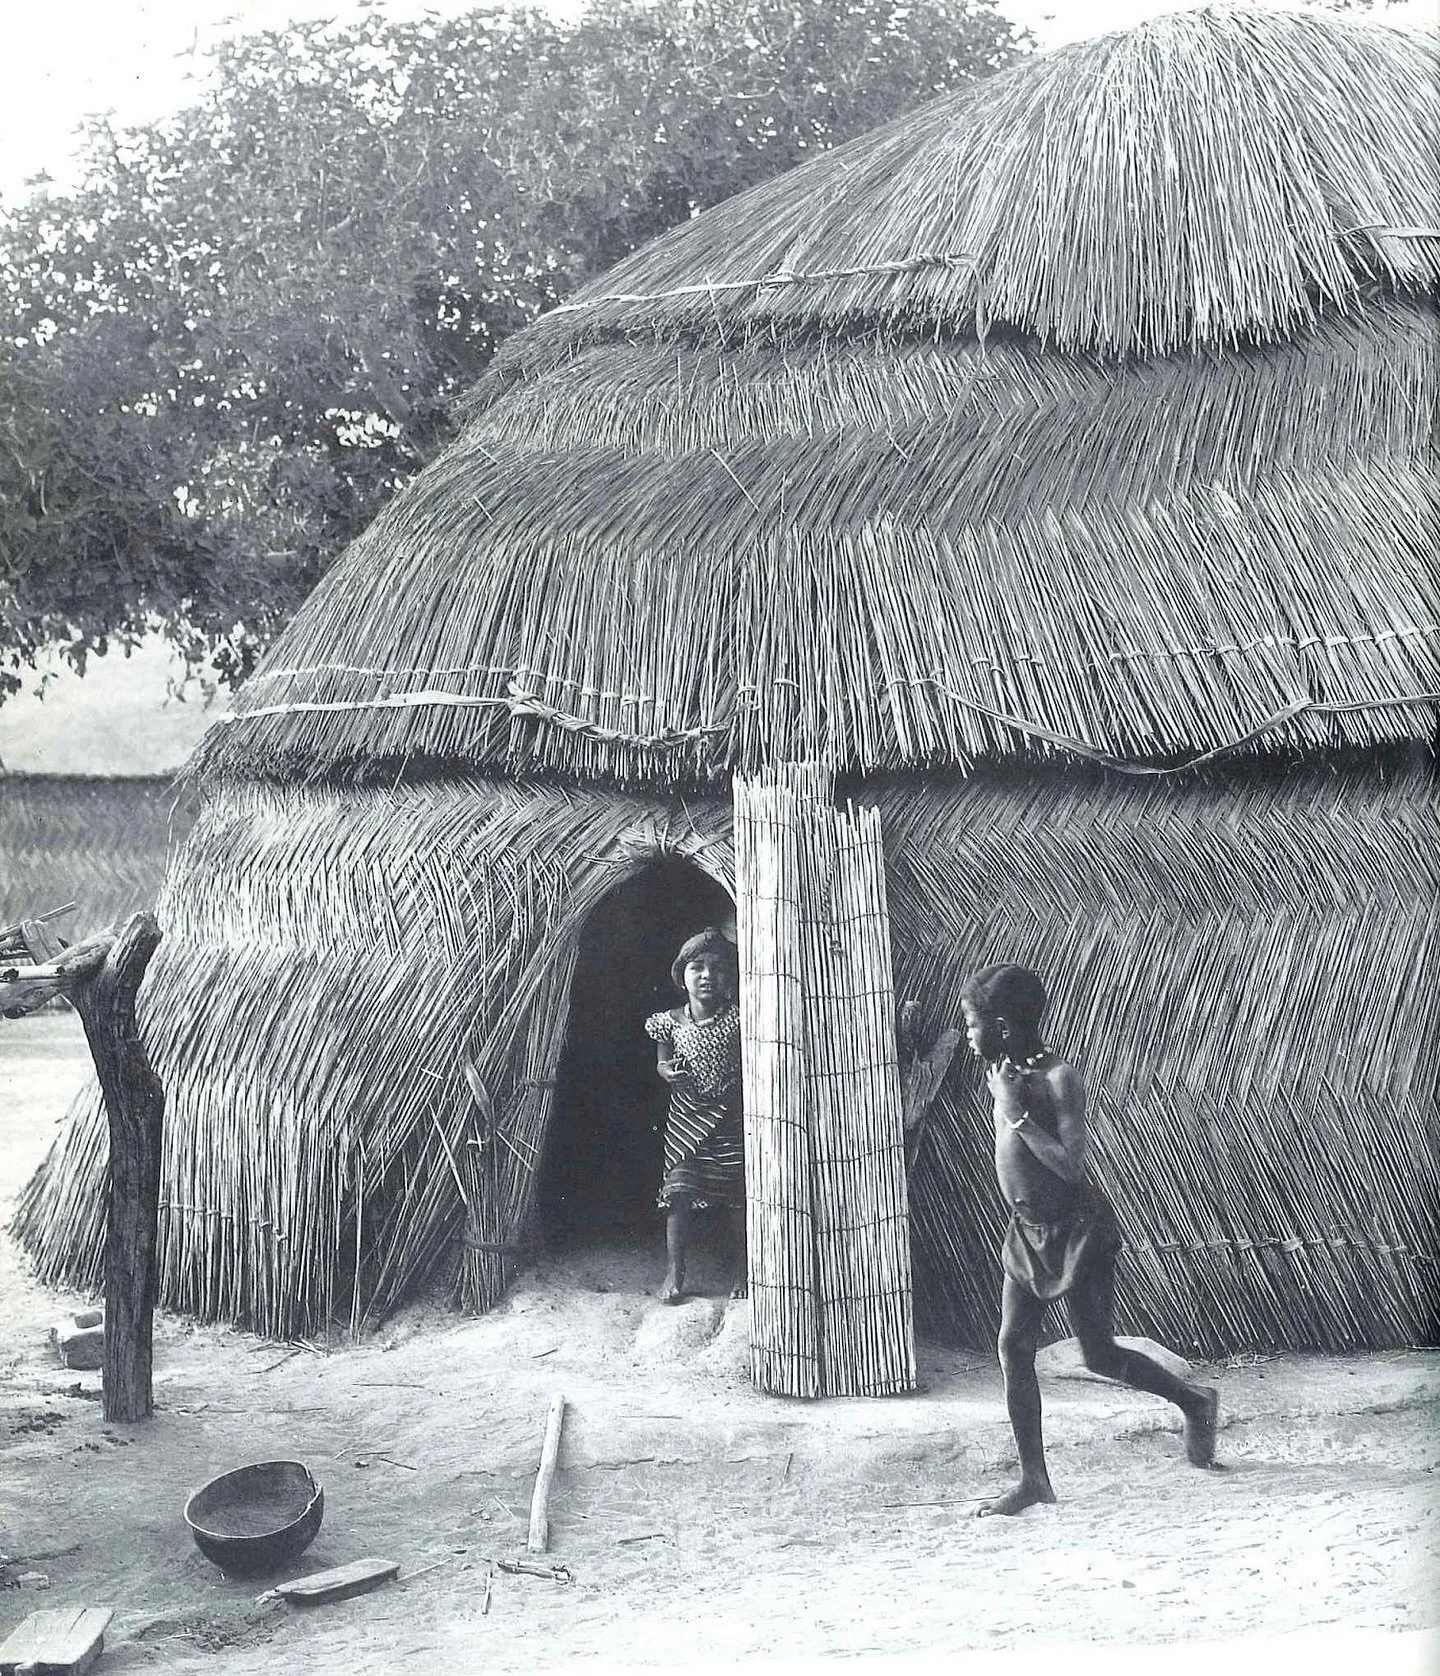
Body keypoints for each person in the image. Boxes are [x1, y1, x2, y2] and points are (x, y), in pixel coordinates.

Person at [960, 962, 1219, 1516]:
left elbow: (1072, 1166)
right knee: (1012, 1347)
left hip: (1078, 1232)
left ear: (1002, 1026)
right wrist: (1009, 1103)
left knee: (1098, 1354)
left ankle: (1195, 1401)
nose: (968, 1034)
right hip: (1028, 1234)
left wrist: (1018, 1116)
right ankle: (1035, 1481)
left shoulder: (1059, 1079)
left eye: (972, 1024)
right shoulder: (1004, 1073)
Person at [645, 927, 746, 1305]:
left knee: (737, 1198)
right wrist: (665, 1070)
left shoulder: (738, 1020)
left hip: (728, 1118)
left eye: (717, 968)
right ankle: (676, 1270)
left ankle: (744, 1268)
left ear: (729, 977)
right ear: (681, 976)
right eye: (697, 968)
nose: (707, 976)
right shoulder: (669, 1022)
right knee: (678, 1193)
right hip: (687, 1120)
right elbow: (662, 1063)